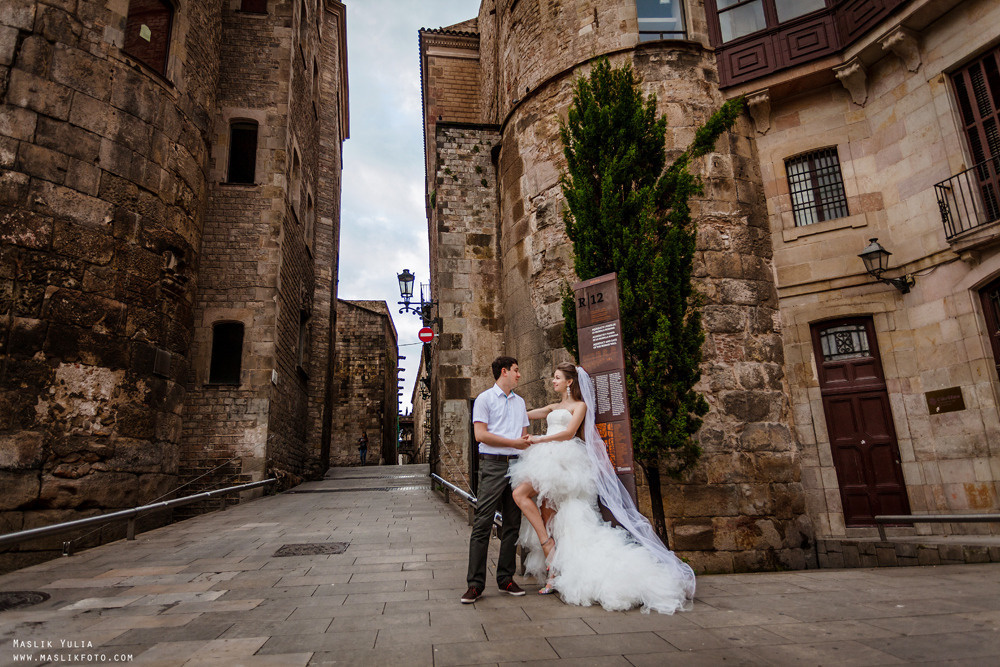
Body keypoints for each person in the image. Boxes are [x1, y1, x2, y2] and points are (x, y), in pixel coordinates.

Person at [508, 362, 696, 613]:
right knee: (545, 511)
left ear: (569, 382)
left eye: (556, 378)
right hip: (544, 459)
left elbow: (569, 432)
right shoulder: (554, 406)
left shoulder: (580, 406)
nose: (553, 381)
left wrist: (540, 438)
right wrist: (509, 402)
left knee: (534, 501)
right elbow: (527, 414)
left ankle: (551, 556)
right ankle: (553, 564)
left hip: (564, 460)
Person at [461, 356, 531, 604]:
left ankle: (506, 579)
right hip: (492, 465)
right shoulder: (484, 399)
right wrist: (514, 442)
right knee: (483, 523)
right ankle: (475, 585)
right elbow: (480, 435)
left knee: (512, 524)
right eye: (516, 370)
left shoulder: (520, 402)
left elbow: (524, 437)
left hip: (516, 466)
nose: (519, 375)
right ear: (504, 372)